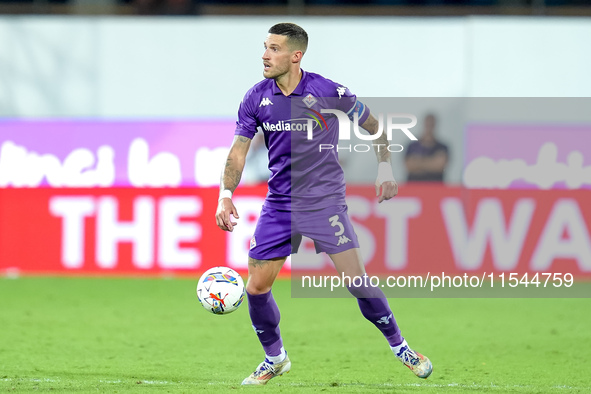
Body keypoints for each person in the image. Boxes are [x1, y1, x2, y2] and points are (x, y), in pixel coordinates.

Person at [215, 22, 432, 386]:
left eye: (273, 49)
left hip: (324, 203)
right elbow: (238, 153)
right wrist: (225, 194)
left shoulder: (328, 91)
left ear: (295, 56)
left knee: (357, 282)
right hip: (280, 204)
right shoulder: (256, 97)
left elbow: (374, 126)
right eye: (265, 47)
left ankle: (402, 348)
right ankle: (275, 358)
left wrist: (384, 167)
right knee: (256, 287)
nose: (265, 55)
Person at [404, 113, 449, 182]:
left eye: (431, 124)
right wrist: (433, 162)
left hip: (435, 188)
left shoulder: (442, 147)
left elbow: (440, 166)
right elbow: (409, 165)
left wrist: (417, 162)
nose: (429, 127)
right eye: (427, 124)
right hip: (414, 187)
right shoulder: (412, 146)